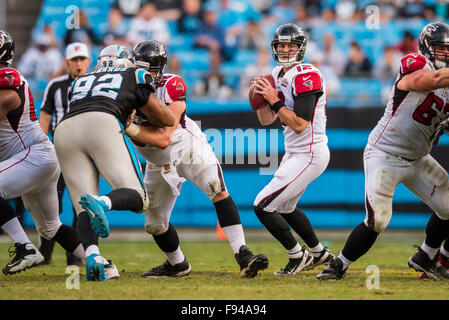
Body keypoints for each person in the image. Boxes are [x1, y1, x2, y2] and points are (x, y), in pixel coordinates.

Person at [124, 40, 269, 278]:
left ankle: (243, 254)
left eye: (151, 68)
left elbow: (164, 136)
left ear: (161, 68)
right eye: (142, 67)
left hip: (185, 146)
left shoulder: (170, 85)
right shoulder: (127, 90)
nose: (147, 73)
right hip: (157, 163)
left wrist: (130, 127)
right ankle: (177, 264)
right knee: (154, 224)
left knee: (217, 189)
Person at [317, 22, 449, 281]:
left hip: (418, 158)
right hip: (385, 153)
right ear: (425, 47)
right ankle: (338, 265)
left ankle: (427, 255)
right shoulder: (416, 63)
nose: (444, 53)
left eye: (448, 49)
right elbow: (430, 80)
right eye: (439, 48)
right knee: (378, 220)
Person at [53, 43, 176, 281]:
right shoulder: (134, 74)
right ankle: (103, 202)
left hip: (64, 130)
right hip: (102, 123)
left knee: (82, 208)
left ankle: (94, 258)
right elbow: (166, 118)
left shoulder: (82, 79)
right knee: (139, 197)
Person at [0, 30, 86, 275]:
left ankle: (25, 247)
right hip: (36, 159)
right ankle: (99, 262)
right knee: (51, 228)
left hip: (33, 156)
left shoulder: (9, 83)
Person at [252, 23, 334, 275]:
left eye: (291, 45)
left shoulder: (307, 75)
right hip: (295, 152)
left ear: (301, 48)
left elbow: (299, 124)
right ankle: (319, 253)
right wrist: (260, 99)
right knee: (285, 207)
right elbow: (267, 120)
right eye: (281, 45)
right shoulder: (276, 73)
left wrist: (274, 99)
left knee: (262, 205)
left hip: (310, 153)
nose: (286, 50)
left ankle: (297, 256)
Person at [38, 42, 91, 266]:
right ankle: (45, 253)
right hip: (57, 153)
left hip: (84, 154)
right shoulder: (55, 86)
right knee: (52, 205)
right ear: (67, 62)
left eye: (82, 59)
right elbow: (45, 117)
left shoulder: (95, 84)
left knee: (81, 205)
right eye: (74, 60)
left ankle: (74, 254)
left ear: (88, 61)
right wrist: (40, 146)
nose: (78, 64)